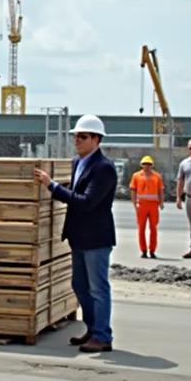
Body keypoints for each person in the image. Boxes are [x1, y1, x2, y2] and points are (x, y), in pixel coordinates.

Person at [33, 114, 116, 353]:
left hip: (96, 239)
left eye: (83, 136)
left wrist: (53, 187)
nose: (77, 140)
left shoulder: (104, 168)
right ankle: (93, 329)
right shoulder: (77, 163)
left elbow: (87, 202)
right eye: (75, 136)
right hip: (79, 236)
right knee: (79, 285)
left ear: (96, 139)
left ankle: (102, 336)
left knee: (98, 288)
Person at [130, 155, 164, 259]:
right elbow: (133, 190)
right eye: (145, 164)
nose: (147, 166)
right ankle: (144, 250)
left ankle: (152, 250)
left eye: (149, 164)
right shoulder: (136, 176)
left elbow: (160, 190)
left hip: (153, 205)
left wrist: (161, 202)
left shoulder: (157, 176)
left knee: (153, 228)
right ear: (142, 165)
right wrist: (134, 203)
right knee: (141, 228)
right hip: (142, 204)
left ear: (152, 165)